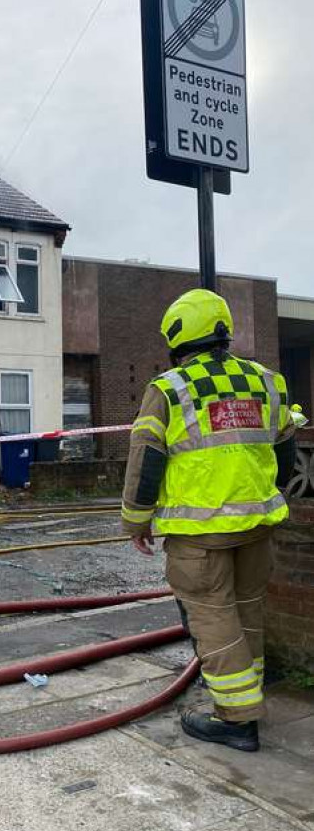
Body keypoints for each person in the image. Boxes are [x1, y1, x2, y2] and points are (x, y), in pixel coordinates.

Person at [121, 290, 296, 752]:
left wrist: (136, 520)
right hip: (259, 526)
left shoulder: (169, 389)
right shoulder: (267, 382)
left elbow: (146, 460)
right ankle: (247, 696)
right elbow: (285, 452)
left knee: (214, 620)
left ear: (178, 335)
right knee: (248, 613)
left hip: (201, 535)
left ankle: (238, 720)